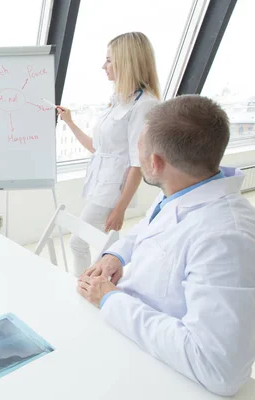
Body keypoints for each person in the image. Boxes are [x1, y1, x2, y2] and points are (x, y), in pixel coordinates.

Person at [77, 95, 255, 396]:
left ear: (156, 163)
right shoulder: (185, 186)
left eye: (139, 149)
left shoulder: (227, 240)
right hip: (132, 341)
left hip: (164, 377)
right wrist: (116, 254)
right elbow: (149, 227)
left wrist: (111, 300)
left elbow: (218, 369)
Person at [56, 32, 161, 276]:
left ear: (127, 62)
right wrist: (70, 123)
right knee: (107, 244)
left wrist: (120, 208)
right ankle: (108, 280)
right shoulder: (118, 100)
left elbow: (137, 164)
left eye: (109, 60)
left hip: (113, 190)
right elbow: (98, 148)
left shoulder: (145, 104)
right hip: (99, 182)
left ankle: (83, 287)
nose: (104, 66)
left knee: (78, 242)